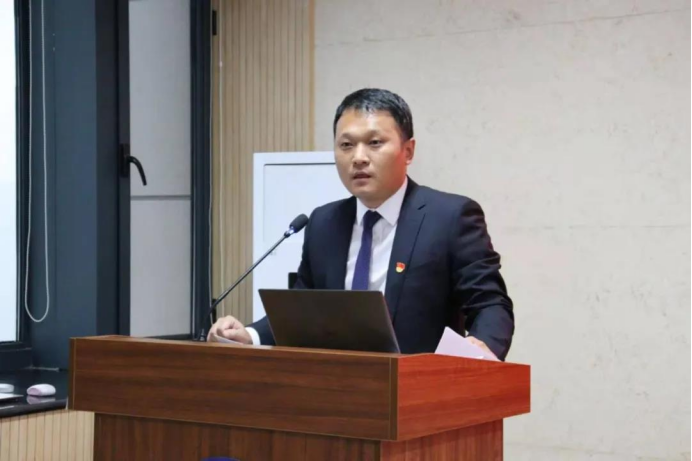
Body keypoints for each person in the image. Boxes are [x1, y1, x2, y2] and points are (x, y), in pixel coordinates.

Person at [209, 88, 515, 360]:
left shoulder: (449, 217)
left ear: (408, 151)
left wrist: (482, 347)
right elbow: (304, 311)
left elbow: (489, 303)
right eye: (346, 145)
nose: (358, 158)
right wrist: (250, 335)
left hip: (421, 391)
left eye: (374, 143)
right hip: (339, 390)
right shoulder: (323, 223)